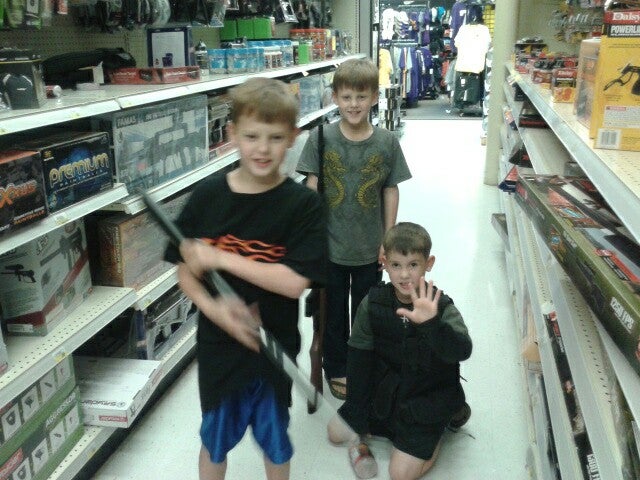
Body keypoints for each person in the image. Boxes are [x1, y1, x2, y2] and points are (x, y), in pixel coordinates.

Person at [164, 77, 326, 480]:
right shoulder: (208, 196)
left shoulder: (303, 205)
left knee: (275, 439)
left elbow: (294, 282)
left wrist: (220, 256)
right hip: (219, 349)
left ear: (293, 137)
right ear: (232, 133)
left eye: (275, 137)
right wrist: (216, 311)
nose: (262, 149)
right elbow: (186, 271)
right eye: (252, 136)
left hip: (274, 347)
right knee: (214, 439)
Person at [296, 57, 412, 400]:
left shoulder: (386, 142)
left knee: (366, 311)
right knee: (332, 314)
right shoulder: (321, 138)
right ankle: (336, 366)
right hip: (330, 247)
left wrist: (388, 239)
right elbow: (311, 186)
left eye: (361, 96)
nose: (354, 104)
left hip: (370, 247)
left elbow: (390, 189)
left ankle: (362, 364)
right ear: (334, 98)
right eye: (346, 97)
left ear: (375, 97)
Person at [327, 222, 472, 480]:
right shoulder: (372, 303)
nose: (404, 275)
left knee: (400, 474)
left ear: (429, 263)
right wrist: (356, 408)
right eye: (396, 265)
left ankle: (441, 426)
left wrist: (431, 324)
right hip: (386, 389)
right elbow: (359, 358)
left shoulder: (441, 307)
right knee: (335, 433)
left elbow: (462, 350)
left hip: (426, 397)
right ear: (384, 263)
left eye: (413, 265)